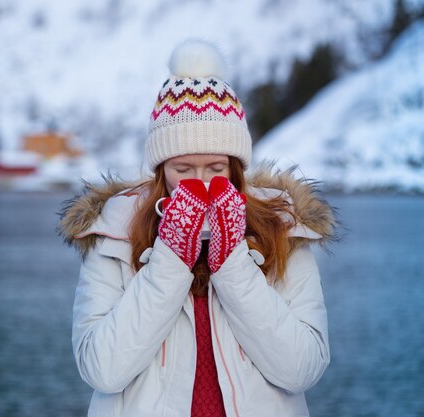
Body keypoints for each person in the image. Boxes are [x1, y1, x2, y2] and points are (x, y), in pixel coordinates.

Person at [59, 39, 337, 417]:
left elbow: (301, 369)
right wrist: (170, 260)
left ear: (236, 168)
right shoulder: (114, 234)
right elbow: (102, 371)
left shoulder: (283, 230)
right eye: (183, 171)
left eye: (216, 169)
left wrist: (233, 263)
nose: (201, 183)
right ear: (161, 171)